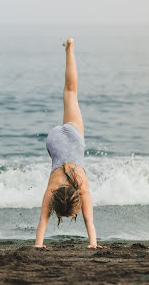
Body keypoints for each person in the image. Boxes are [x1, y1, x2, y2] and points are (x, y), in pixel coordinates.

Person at [34, 39, 104, 249]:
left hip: (73, 137)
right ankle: (70, 49)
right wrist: (38, 244)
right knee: (70, 94)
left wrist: (93, 243)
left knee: (71, 91)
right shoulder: (52, 189)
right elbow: (42, 223)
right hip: (53, 142)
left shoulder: (82, 188)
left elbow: (89, 221)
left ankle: (70, 48)